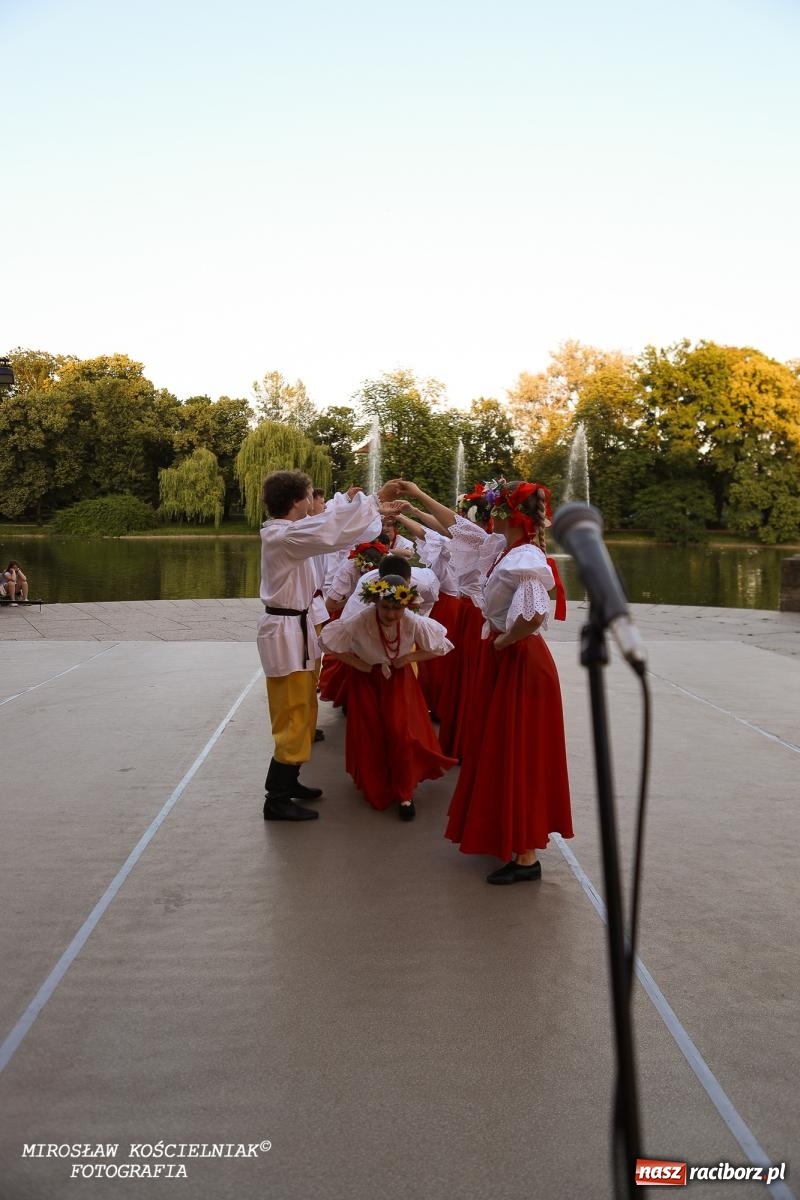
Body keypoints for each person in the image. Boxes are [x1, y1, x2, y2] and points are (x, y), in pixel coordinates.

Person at [442, 480, 573, 884]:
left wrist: (504, 639)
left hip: (519, 660)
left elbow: (534, 614)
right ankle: (515, 841)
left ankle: (526, 856)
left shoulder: (525, 556)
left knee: (519, 750)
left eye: (492, 511)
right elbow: (456, 528)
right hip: (510, 658)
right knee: (502, 746)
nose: (486, 518)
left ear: (507, 515)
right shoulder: (509, 550)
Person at [257, 470, 398, 822]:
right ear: (296, 502)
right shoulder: (284, 536)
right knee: (292, 711)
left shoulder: (291, 534)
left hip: (297, 628)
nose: (312, 502)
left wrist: (365, 507)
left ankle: (290, 782)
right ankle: (276, 797)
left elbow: (332, 532)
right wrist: (374, 499)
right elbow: (331, 530)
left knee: (303, 706)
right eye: (308, 496)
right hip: (288, 631)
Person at [320, 566, 456, 819]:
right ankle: (377, 782)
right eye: (386, 608)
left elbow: (441, 647)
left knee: (401, 733)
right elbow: (328, 643)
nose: (392, 614)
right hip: (366, 681)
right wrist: (357, 663)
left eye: (397, 608)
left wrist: (410, 657)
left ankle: (405, 794)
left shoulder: (412, 620)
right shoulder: (359, 620)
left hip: (399, 680)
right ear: (375, 603)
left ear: (406, 605)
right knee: (371, 733)